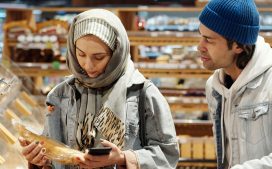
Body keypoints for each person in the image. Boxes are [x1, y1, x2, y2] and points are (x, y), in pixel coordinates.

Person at [18, 9, 179, 169]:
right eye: (80, 54)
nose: (88, 65)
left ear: (116, 53)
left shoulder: (143, 94)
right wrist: (39, 161)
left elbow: (167, 155)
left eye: (99, 57)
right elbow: (53, 158)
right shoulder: (60, 95)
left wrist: (123, 158)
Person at [198, 0, 272, 168]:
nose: (199, 47)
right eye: (200, 36)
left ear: (237, 45)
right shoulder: (215, 87)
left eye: (209, 40)